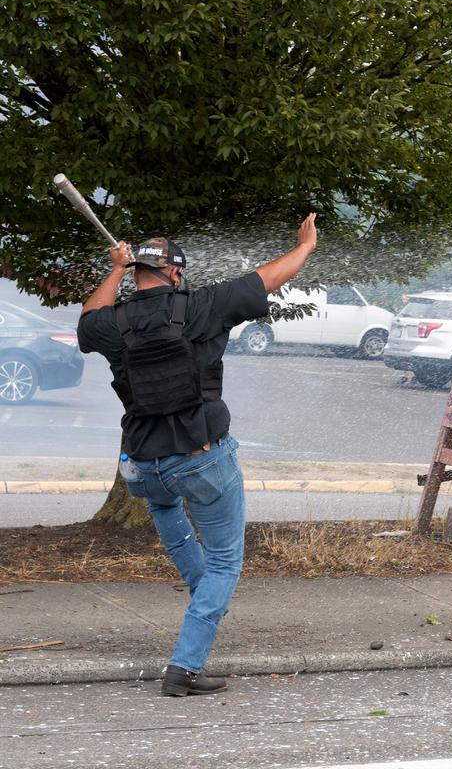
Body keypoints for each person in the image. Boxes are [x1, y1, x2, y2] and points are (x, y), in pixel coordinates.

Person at [77, 215, 318, 696]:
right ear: (175, 274)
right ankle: (184, 668)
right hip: (201, 460)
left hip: (144, 469)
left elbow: (86, 319)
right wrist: (305, 247)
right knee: (226, 563)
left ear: (138, 270)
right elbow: (269, 277)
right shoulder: (200, 306)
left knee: (180, 530)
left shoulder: (114, 322)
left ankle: (206, 603)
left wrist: (114, 271)